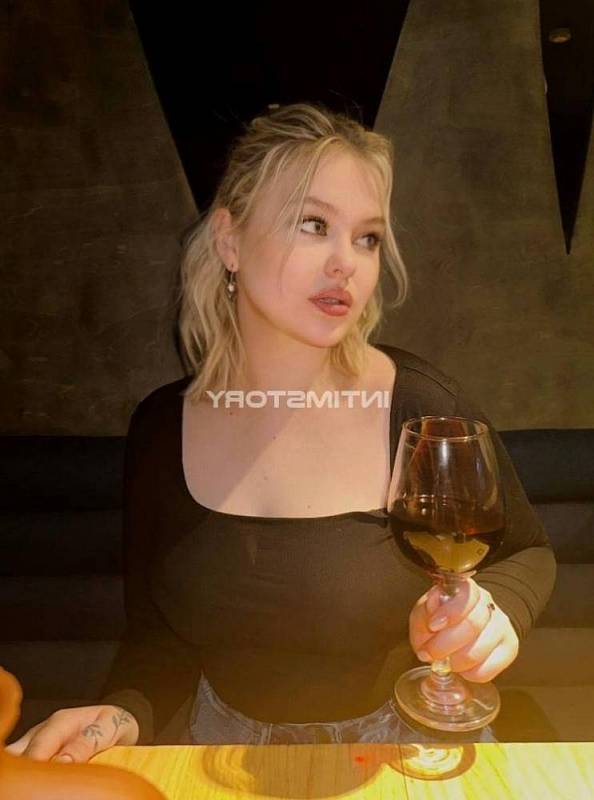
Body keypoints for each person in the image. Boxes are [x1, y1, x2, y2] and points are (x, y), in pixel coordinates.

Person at [6, 103, 556, 762]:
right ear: (230, 241)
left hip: (411, 750)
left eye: (367, 237)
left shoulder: (417, 404)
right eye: (314, 225)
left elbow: (527, 552)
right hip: (218, 753)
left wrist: (496, 612)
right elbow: (156, 639)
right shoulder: (160, 430)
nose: (346, 263)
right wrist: (119, 715)